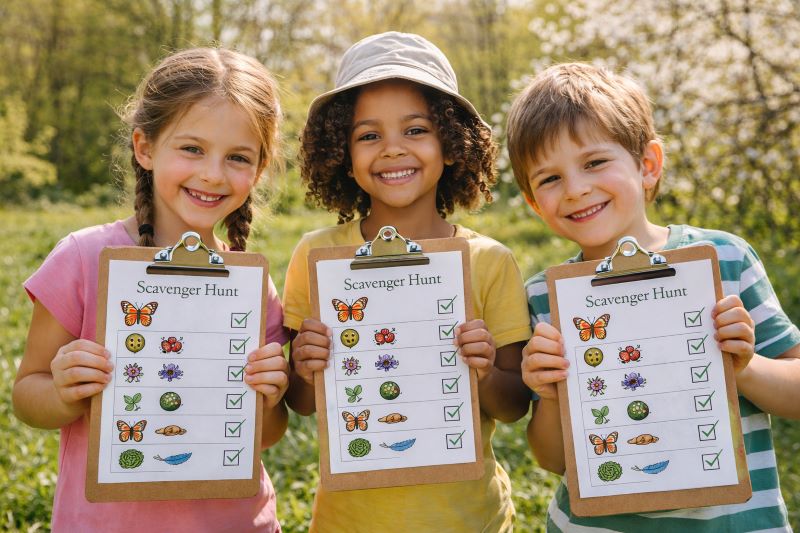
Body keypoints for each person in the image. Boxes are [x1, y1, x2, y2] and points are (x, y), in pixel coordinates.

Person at [506, 62, 800, 531]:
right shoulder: (547, 297)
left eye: (595, 162)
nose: (577, 189)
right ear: (533, 202)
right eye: (550, 178)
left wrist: (744, 366)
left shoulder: (722, 259)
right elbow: (552, 459)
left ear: (647, 165)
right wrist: (549, 394)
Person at [12, 48, 290, 532]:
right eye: (192, 149)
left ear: (259, 170)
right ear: (145, 147)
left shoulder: (250, 282)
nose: (212, 174)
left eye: (238, 158)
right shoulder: (83, 258)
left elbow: (268, 434)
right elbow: (25, 395)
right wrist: (63, 391)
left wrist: (269, 396)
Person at [283, 32, 532, 531]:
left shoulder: (488, 261)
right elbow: (302, 403)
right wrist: (305, 365)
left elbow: (513, 406)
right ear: (343, 156)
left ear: (451, 143)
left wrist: (482, 370)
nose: (392, 149)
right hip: (347, 520)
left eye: (416, 130)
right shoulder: (318, 256)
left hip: (469, 519)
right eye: (369, 136)